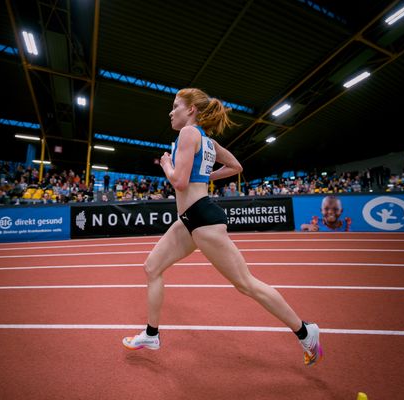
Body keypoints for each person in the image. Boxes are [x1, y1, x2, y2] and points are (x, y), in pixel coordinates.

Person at [122, 88, 323, 366]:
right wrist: (204, 176)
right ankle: (151, 334)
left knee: (246, 284)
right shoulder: (208, 142)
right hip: (190, 220)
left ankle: (304, 330)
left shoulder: (188, 134)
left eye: (176, 106)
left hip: (203, 219)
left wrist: (166, 165)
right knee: (152, 267)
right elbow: (236, 166)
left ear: (191, 110)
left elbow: (179, 183)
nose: (171, 111)